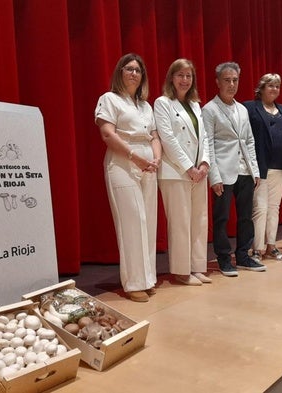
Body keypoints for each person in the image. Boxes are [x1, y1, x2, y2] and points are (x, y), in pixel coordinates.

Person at [94, 53, 162, 302]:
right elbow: (108, 135)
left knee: (148, 222)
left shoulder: (145, 105)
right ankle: (134, 283)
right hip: (123, 161)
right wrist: (135, 157)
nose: (134, 73)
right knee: (132, 222)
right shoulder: (109, 99)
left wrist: (155, 158)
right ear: (120, 72)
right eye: (129, 69)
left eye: (138, 70)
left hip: (148, 163)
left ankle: (148, 278)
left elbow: (154, 135)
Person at [203, 62, 266, 276]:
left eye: (235, 80)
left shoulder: (242, 109)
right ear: (218, 82)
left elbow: (249, 140)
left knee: (246, 216)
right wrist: (214, 176)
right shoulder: (209, 109)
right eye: (227, 80)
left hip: (245, 170)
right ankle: (223, 258)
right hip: (223, 171)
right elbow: (208, 145)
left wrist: (255, 170)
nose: (231, 84)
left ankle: (243, 255)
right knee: (222, 217)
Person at [154, 59, 211, 285]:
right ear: (171, 77)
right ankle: (181, 270)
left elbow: (204, 137)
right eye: (180, 75)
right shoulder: (162, 103)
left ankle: (197, 267)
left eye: (189, 76)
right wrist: (189, 167)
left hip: (199, 172)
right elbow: (167, 138)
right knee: (180, 222)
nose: (185, 80)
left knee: (199, 220)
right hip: (176, 172)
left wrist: (205, 163)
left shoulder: (196, 104)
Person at [243, 74, 282, 262]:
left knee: (274, 208)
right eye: (270, 85)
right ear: (261, 88)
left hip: (280, 167)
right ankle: (257, 249)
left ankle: (271, 246)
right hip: (260, 168)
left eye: (277, 86)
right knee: (260, 209)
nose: (274, 89)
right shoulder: (250, 108)